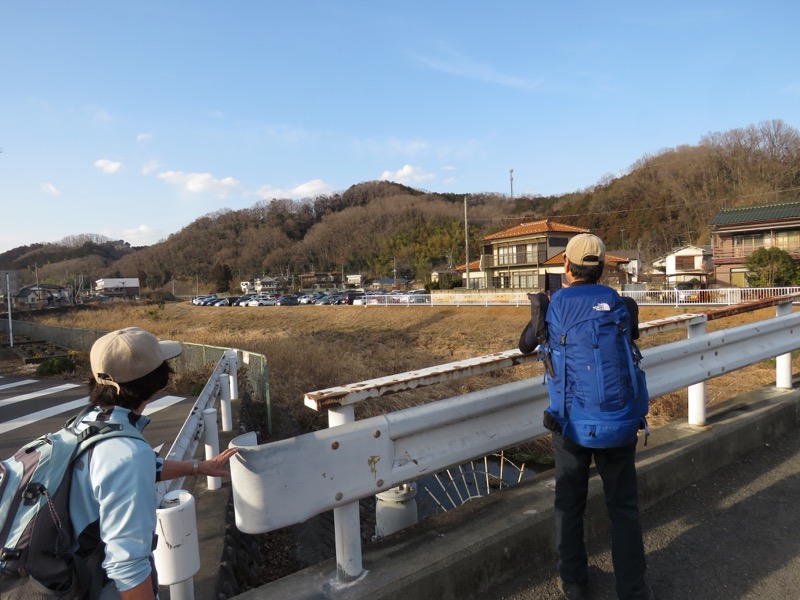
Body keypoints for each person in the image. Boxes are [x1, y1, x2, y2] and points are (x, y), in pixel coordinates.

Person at [518, 234, 653, 600]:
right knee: (623, 508)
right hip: (620, 419)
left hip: (571, 423)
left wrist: (542, 308)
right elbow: (631, 339)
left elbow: (524, 344)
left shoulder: (554, 304)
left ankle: (575, 585)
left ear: (566, 267)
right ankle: (634, 590)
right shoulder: (621, 303)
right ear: (604, 269)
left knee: (569, 504)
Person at [70, 327, 239, 599]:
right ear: (155, 381)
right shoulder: (126, 454)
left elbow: (141, 467)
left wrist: (198, 467)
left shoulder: (87, 423)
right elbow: (128, 567)